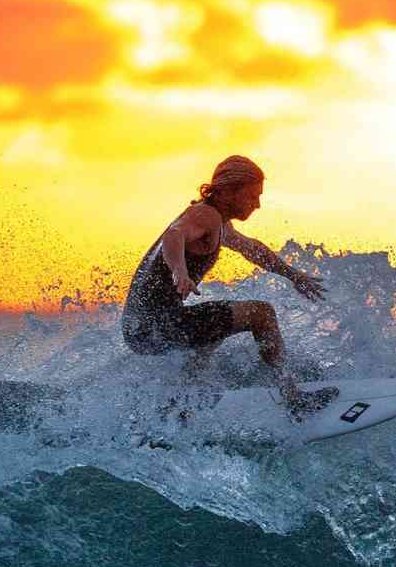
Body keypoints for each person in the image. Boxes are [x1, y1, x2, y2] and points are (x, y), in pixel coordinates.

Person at [121, 155, 339, 417]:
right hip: (156, 325)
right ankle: (293, 399)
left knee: (213, 331)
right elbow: (174, 234)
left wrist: (293, 276)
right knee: (261, 314)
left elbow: (252, 249)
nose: (257, 205)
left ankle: (179, 410)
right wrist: (179, 271)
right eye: (252, 196)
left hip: (140, 329)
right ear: (227, 192)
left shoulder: (217, 222)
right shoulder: (205, 215)